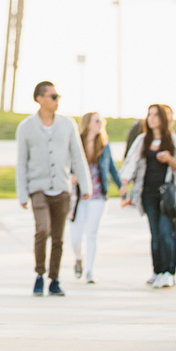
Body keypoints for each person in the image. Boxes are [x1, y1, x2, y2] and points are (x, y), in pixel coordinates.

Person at [15, 81, 87, 297]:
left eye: (57, 96)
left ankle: (54, 279)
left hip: (62, 189)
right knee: (42, 230)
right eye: (53, 96)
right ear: (39, 98)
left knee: (58, 237)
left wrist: (85, 185)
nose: (57, 100)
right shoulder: (26, 127)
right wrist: (22, 193)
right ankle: (39, 274)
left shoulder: (67, 124)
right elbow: (21, 162)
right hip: (38, 188)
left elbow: (78, 155)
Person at [121, 103, 176, 289]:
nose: (152, 118)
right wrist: (125, 184)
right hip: (148, 193)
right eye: (150, 115)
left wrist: (170, 160)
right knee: (155, 235)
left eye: (156, 115)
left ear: (163, 119)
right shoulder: (143, 140)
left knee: (167, 233)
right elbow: (131, 162)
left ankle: (168, 272)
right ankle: (157, 271)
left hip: (167, 195)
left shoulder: (174, 139)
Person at [72, 111, 120, 284]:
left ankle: (90, 271)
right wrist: (70, 176)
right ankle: (79, 258)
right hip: (79, 197)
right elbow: (66, 164)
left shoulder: (104, 144)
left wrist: (122, 188)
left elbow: (112, 168)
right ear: (87, 123)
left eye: (101, 121)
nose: (100, 123)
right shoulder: (76, 142)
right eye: (96, 121)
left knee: (92, 233)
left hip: (99, 196)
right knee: (75, 237)